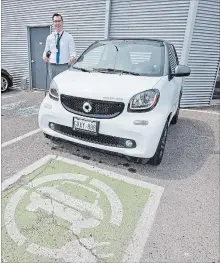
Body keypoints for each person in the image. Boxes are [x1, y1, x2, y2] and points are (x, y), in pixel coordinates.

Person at [43, 13, 77, 81]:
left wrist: (73, 57)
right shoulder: (49, 37)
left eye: (59, 21)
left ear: (62, 22)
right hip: (52, 66)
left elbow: (73, 52)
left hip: (64, 66)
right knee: (53, 85)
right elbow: (46, 51)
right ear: (53, 23)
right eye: (55, 21)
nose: (57, 23)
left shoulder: (69, 37)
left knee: (64, 84)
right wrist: (44, 56)